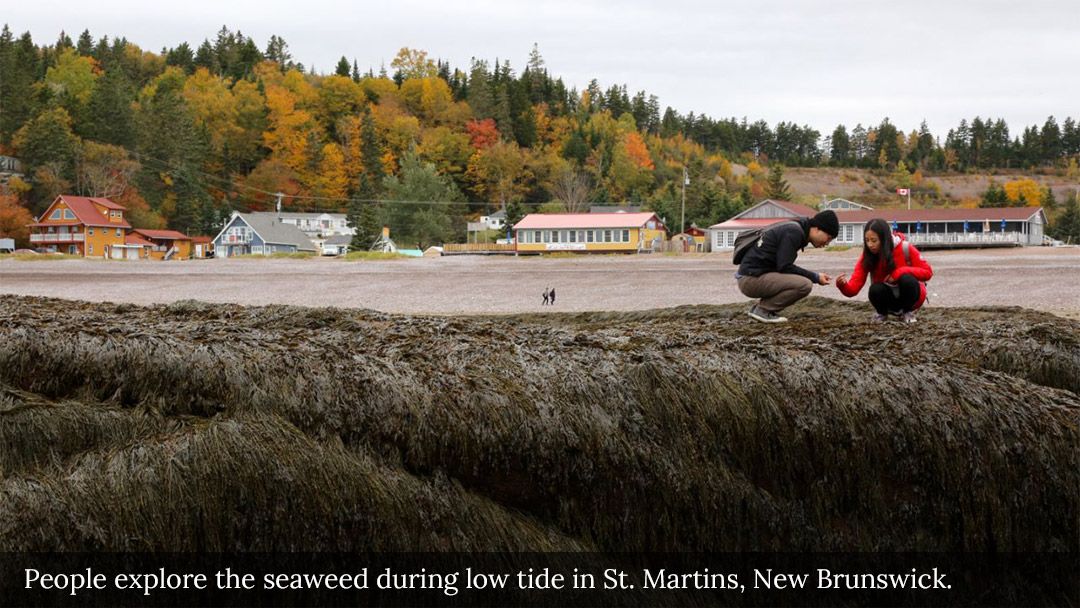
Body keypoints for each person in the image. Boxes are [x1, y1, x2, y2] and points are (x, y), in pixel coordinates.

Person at [736, 210, 839, 323]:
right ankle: (763, 310)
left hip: (750, 277)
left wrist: (815, 276)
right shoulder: (794, 232)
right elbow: (785, 266)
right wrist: (815, 277)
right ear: (817, 228)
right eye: (828, 237)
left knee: (800, 281)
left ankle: (760, 309)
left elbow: (782, 266)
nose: (827, 243)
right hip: (750, 280)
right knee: (804, 285)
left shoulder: (795, 228)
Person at [836, 218, 933, 323]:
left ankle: (908, 312)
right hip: (889, 300)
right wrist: (843, 285)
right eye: (867, 240)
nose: (870, 245)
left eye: (874, 240)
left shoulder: (905, 247)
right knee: (875, 289)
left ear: (884, 239)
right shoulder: (868, 256)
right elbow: (853, 289)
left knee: (907, 279)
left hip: (912, 298)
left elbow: (928, 273)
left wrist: (898, 273)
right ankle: (882, 313)